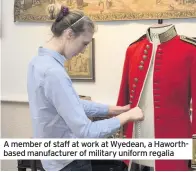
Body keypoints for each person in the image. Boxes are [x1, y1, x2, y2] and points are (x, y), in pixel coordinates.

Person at [26, 3, 144, 171]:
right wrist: (126, 117)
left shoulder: (37, 63)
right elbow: (86, 132)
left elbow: (70, 104)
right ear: (69, 34)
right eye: (84, 43)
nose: (83, 50)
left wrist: (113, 110)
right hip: (69, 162)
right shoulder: (53, 72)